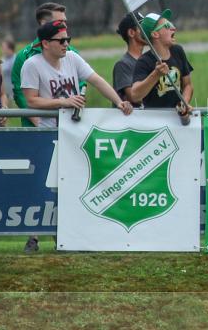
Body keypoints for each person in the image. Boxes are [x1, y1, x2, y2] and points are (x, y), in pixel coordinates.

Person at [19, 20, 131, 255]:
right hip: (48, 132)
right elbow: (31, 100)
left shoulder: (71, 58)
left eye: (68, 39)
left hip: (73, 133)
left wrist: (119, 102)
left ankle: (76, 234)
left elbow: (96, 80)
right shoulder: (32, 64)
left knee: (77, 183)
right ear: (45, 44)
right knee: (47, 186)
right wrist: (63, 102)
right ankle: (35, 234)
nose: (66, 44)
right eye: (61, 41)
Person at [10, 3, 71, 126]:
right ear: (44, 23)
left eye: (65, 21)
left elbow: (81, 84)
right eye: (60, 22)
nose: (64, 25)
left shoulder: (70, 52)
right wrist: (37, 121)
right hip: (37, 128)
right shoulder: (24, 56)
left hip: (69, 124)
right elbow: (20, 94)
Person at [129, 10, 194, 118]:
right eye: (167, 25)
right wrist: (156, 74)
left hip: (177, 117)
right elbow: (135, 95)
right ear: (155, 34)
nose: (173, 28)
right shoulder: (144, 61)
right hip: (154, 119)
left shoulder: (178, 51)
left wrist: (184, 102)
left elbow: (187, 84)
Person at [111, 15, 146, 109]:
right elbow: (133, 97)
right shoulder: (123, 65)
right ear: (131, 32)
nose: (147, 30)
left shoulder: (148, 61)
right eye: (143, 26)